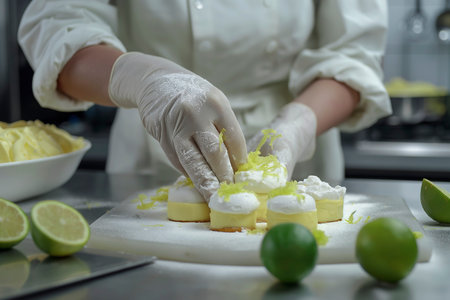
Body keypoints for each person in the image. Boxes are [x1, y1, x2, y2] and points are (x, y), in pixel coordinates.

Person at [18, 0, 391, 201]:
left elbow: (354, 54)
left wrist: (299, 123)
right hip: (152, 140)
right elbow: (57, 24)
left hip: (297, 159)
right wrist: (145, 80)